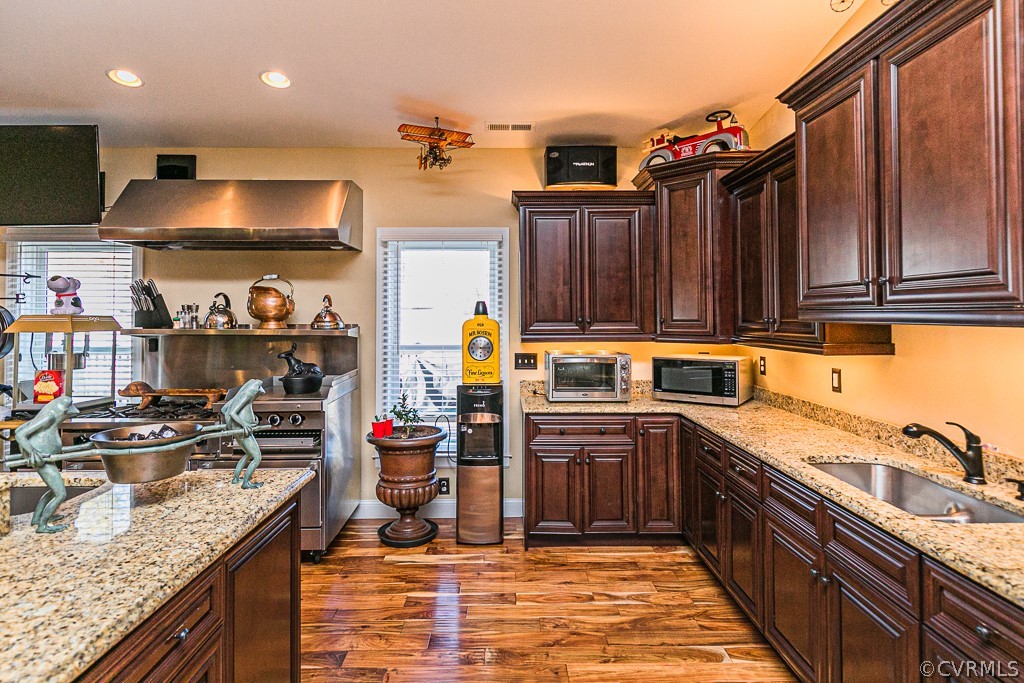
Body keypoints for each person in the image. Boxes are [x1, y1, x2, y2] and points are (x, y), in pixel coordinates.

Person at [14, 396, 79, 532]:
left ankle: (37, 518)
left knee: (53, 490)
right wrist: (32, 452)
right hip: (43, 461)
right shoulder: (49, 418)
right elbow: (20, 435)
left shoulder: (48, 419)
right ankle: (42, 526)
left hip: (47, 457)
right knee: (60, 494)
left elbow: (18, 430)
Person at [220, 379, 266, 489]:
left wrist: (231, 425)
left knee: (249, 454)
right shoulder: (248, 394)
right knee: (257, 457)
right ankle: (246, 483)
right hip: (242, 431)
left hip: (238, 429)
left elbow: (224, 409)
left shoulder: (241, 394)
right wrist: (244, 424)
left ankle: (236, 478)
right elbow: (232, 413)